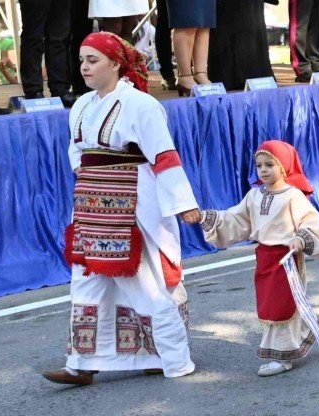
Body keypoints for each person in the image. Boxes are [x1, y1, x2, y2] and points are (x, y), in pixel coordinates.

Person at [43, 32, 202, 385]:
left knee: (146, 281)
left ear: (116, 64)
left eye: (93, 60)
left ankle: (170, 357)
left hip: (134, 203)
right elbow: (77, 151)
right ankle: (81, 363)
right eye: (82, 60)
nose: (84, 67)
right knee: (87, 281)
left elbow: (163, 155)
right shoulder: (82, 105)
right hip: (91, 206)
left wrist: (183, 202)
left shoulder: (142, 105)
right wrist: (89, 182)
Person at [198, 139, 319, 374]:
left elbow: (310, 221)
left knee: (282, 305)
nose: (263, 170)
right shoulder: (254, 196)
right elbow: (237, 219)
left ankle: (282, 357)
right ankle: (316, 325)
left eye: (269, 164)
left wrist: (300, 238)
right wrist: (207, 218)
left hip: (286, 257)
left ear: (283, 166)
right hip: (264, 256)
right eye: (259, 165)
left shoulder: (293, 196)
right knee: (270, 303)